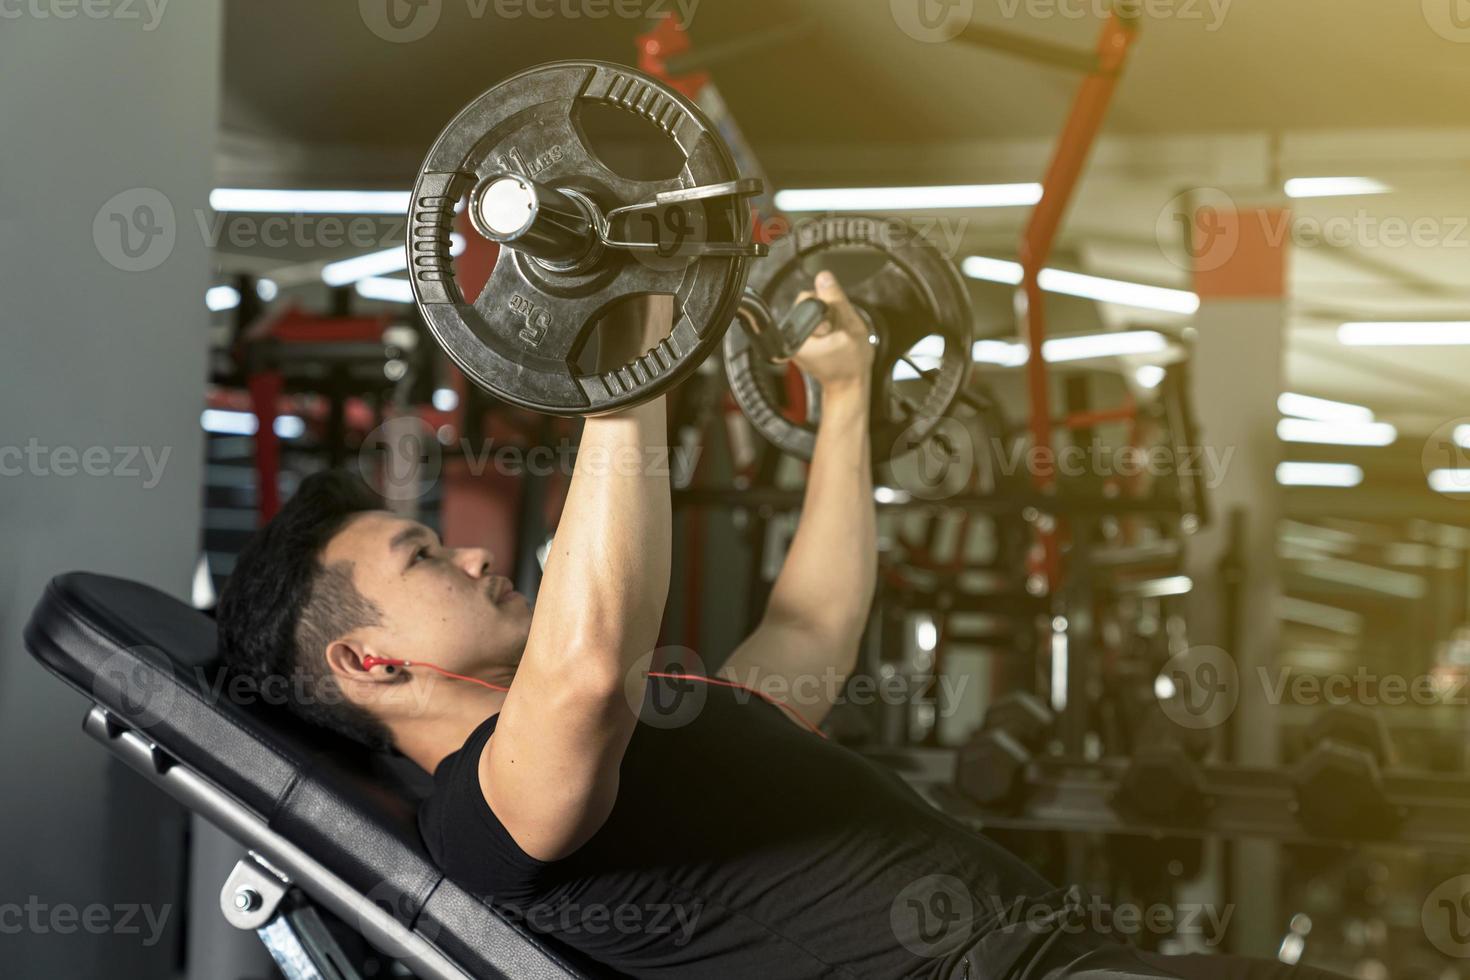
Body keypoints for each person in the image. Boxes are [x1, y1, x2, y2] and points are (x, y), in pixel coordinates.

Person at [217, 276, 1344, 980]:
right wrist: (637, 355)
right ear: (366, 661)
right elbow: (590, 664)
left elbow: (807, 633)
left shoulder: (638, 740)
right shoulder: (479, 820)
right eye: (420, 556)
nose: (468, 550)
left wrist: (846, 402)